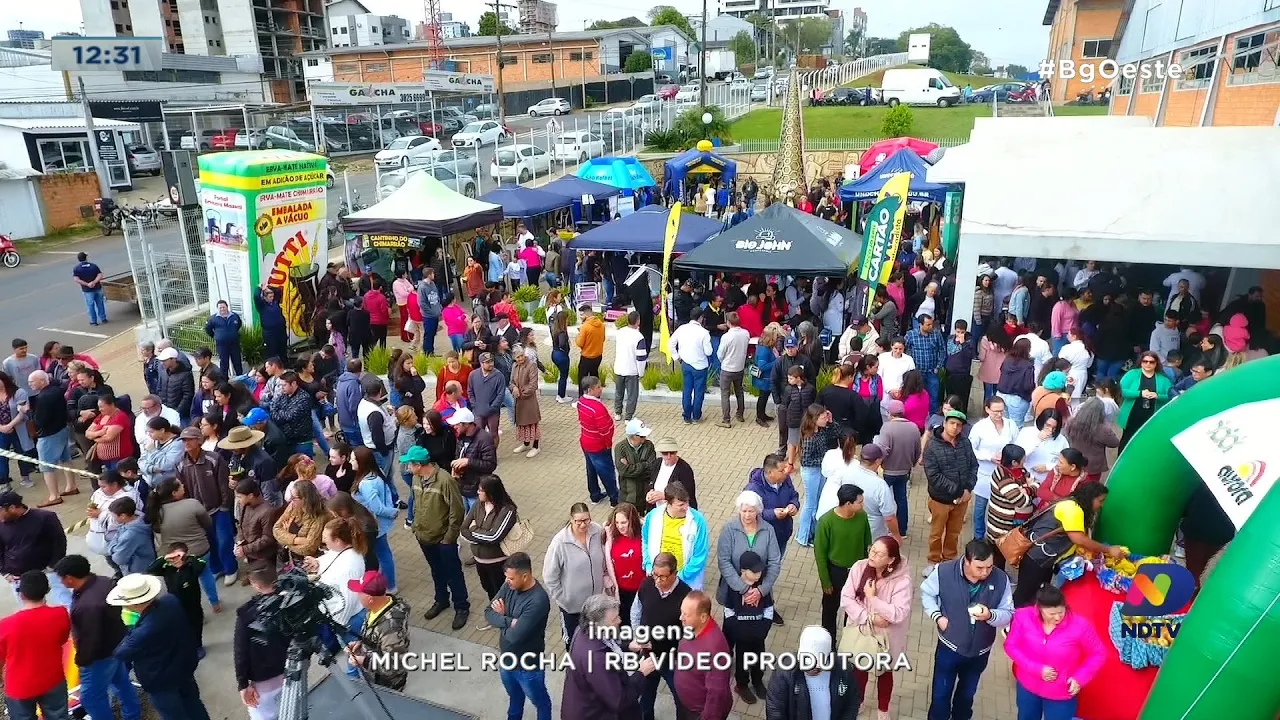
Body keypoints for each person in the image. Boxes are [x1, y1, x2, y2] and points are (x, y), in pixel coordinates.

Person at [920, 540, 1014, 720]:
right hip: (949, 647)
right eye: (980, 567)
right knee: (940, 695)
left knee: (966, 696)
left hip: (980, 652)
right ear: (967, 561)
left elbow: (1008, 613)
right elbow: (927, 593)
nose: (985, 572)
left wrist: (990, 615)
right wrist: (938, 617)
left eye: (989, 567)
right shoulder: (944, 572)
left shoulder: (1001, 580)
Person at [108, 573, 212, 720]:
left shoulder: (143, 632)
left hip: (160, 682)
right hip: (184, 668)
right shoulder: (170, 601)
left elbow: (121, 653)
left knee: (174, 716)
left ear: (135, 604)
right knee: (194, 706)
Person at [52, 555, 144, 720]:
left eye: (61, 578)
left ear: (70, 578)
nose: (60, 582)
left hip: (99, 656)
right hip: (117, 643)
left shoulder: (87, 606)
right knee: (121, 682)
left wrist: (82, 660)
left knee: (91, 698)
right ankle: (133, 715)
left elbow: (90, 639)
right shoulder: (104, 582)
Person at [1003, 585, 1107, 720]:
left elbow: (1098, 653)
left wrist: (1080, 678)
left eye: (1061, 612)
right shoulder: (1023, 616)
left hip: (1061, 692)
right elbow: (1011, 646)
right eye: (1052, 614)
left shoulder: (1080, 626)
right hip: (1028, 686)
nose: (1057, 617)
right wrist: (1036, 668)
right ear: (1039, 609)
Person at [1014, 483, 1123, 607]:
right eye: (1100, 501)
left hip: (1043, 559)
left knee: (1038, 595)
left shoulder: (1072, 503)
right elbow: (1079, 539)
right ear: (1091, 497)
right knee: (1023, 596)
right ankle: (1012, 617)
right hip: (1037, 559)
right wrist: (1108, 549)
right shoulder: (1073, 509)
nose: (1101, 505)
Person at [404, 445, 469, 629]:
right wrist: (416, 527)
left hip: (443, 540)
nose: (407, 467)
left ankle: (461, 606)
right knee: (436, 570)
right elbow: (416, 503)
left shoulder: (445, 480)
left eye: (410, 464)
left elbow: (457, 511)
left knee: (453, 573)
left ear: (419, 465)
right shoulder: (416, 478)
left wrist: (449, 538)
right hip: (424, 536)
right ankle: (441, 600)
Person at [562, 593, 654, 718]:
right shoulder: (597, 659)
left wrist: (628, 646)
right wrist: (641, 673)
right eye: (614, 619)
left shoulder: (585, 630)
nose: (620, 620)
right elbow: (619, 700)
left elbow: (608, 645)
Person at [486, 553, 554, 720]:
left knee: (541, 703)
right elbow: (488, 612)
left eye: (511, 578)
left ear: (525, 576)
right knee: (515, 698)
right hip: (507, 660)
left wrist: (501, 618)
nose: (507, 581)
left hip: (528, 667)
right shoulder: (509, 586)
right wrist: (509, 620)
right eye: (506, 577)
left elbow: (514, 637)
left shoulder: (538, 601)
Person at [0, 570, 72, 720]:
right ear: (48, 590)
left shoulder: (5, 625)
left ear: (21, 594)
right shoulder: (60, 614)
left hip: (19, 686)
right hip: (52, 679)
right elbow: (62, 639)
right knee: (59, 716)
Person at [175, 426, 235, 589]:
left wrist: (224, 506)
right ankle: (216, 568)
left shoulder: (214, 458)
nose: (186, 443)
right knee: (208, 542)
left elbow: (224, 485)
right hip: (198, 512)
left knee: (224, 540)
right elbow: (181, 489)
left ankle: (230, 569)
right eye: (183, 440)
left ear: (199, 441)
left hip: (218, 508)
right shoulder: (180, 463)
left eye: (189, 439)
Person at [922, 410, 979, 576]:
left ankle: (949, 560)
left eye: (959, 425)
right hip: (940, 499)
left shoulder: (965, 443)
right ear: (944, 423)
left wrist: (968, 488)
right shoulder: (932, 446)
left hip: (962, 499)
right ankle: (933, 561)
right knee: (936, 533)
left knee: (954, 532)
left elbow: (973, 466)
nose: (955, 427)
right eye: (952, 423)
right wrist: (959, 491)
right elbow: (933, 476)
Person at [543, 502, 609, 645]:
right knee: (573, 643)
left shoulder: (597, 531)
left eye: (586, 520)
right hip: (572, 607)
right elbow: (549, 576)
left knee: (594, 640)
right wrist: (564, 599)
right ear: (571, 519)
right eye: (578, 521)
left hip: (595, 604)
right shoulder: (560, 542)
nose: (583, 525)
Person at [813, 483, 872, 641]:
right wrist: (826, 582)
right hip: (835, 572)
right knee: (830, 610)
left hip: (856, 573)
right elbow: (820, 554)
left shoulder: (862, 517)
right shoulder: (826, 521)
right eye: (860, 502)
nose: (863, 504)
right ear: (848, 504)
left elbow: (868, 544)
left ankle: (849, 642)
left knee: (854, 610)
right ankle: (828, 644)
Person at [764, 625, 861, 720]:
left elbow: (852, 702)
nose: (811, 668)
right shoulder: (784, 672)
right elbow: (775, 710)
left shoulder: (843, 669)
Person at [459, 473, 519, 618]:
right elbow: (464, 529)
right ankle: (496, 614)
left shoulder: (507, 510)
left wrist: (474, 530)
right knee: (489, 589)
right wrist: (481, 534)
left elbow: (494, 536)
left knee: (501, 593)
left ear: (491, 492)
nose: (477, 492)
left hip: (497, 563)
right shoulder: (477, 505)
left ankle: (506, 618)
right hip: (480, 561)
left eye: (481, 490)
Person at [234, 566, 289, 720]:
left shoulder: (247, 614)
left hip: (264, 681)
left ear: (256, 585)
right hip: (292, 669)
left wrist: (243, 684)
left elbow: (241, 652)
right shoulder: (291, 601)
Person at [0, 490, 72, 607]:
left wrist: (52, 566)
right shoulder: (1, 524)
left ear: (12, 508)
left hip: (48, 573)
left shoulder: (46, 517)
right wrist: (5, 572)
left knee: (66, 603)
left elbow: (59, 542)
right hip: (18, 577)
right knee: (29, 611)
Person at [817, 441, 900, 541]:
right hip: (873, 533)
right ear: (878, 461)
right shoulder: (880, 485)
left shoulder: (847, 472)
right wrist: (896, 535)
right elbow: (889, 517)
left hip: (850, 528)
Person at [674, 590, 732, 720]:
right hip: (686, 705)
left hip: (698, 713)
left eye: (686, 614)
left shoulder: (715, 648)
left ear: (703, 617)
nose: (681, 618)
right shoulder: (693, 627)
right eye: (681, 612)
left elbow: (716, 693)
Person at [641, 482, 710, 590]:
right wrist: (649, 566)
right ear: (668, 503)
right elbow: (645, 542)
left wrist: (680, 577)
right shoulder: (653, 517)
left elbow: (700, 554)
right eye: (681, 505)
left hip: (686, 582)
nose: (686, 507)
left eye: (687, 502)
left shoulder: (698, 521)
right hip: (659, 579)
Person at [27, 370, 75, 507]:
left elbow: (40, 421)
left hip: (49, 435)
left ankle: (54, 495)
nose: (30, 384)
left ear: (42, 381)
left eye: (32, 381)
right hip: (62, 429)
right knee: (66, 458)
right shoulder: (57, 390)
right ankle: (71, 486)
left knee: (46, 466)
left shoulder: (42, 398)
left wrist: (28, 412)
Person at [874, 399, 921, 536]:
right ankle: (902, 530)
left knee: (880, 500)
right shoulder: (913, 427)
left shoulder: (886, 428)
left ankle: (880, 529)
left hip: (888, 471)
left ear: (890, 413)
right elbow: (917, 450)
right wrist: (911, 464)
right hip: (904, 471)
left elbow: (883, 450)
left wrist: (877, 465)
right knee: (901, 500)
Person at [796, 404, 839, 546]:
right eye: (823, 417)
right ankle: (803, 537)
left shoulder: (821, 430)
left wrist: (831, 421)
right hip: (811, 472)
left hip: (819, 470)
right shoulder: (809, 437)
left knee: (818, 501)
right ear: (815, 419)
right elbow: (805, 461)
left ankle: (814, 532)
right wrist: (825, 460)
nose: (825, 419)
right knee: (810, 504)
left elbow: (837, 433)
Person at [744, 453, 799, 563]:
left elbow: (794, 495)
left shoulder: (785, 480)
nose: (786, 472)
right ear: (770, 473)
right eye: (781, 470)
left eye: (785, 468)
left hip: (782, 535)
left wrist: (794, 504)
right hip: (763, 539)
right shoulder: (753, 489)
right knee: (763, 567)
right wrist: (772, 514)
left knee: (776, 563)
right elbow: (748, 515)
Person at [986, 444, 1034, 570]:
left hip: (1013, 525)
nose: (1025, 461)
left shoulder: (1020, 470)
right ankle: (997, 576)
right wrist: (1030, 488)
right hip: (1002, 527)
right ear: (1014, 462)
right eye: (1023, 459)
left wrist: (1026, 489)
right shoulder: (1004, 478)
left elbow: (1035, 482)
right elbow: (1021, 501)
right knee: (998, 558)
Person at [577, 376, 619, 506]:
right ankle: (614, 499)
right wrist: (608, 444)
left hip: (585, 441)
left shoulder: (581, 401)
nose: (601, 389)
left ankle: (595, 495)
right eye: (598, 387)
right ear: (590, 390)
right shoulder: (597, 408)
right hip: (598, 445)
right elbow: (604, 430)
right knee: (607, 472)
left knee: (591, 469)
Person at [1118, 351, 1172, 451]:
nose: (1148, 364)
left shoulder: (1163, 379)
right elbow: (1121, 391)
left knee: (1148, 441)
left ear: (1156, 363)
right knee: (1127, 440)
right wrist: (1140, 393)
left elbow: (1171, 396)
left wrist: (1158, 396)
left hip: (1152, 416)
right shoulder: (1132, 374)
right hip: (1132, 415)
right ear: (1141, 362)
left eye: (1151, 362)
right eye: (1145, 361)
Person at [669, 309, 714, 424]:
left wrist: (676, 357)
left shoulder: (681, 329)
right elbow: (708, 352)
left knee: (687, 390)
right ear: (700, 318)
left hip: (686, 364)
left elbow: (671, 343)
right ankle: (696, 416)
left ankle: (687, 416)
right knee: (699, 392)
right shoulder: (704, 333)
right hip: (700, 366)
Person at [603, 503, 645, 623]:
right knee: (625, 621)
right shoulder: (610, 536)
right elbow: (604, 563)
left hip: (641, 589)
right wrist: (608, 581)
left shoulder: (644, 535)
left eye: (624, 522)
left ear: (632, 521)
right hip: (621, 591)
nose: (620, 526)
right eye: (617, 523)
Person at [272, 479, 328, 563]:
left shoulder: (320, 516)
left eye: (294, 498)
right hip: (291, 558)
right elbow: (276, 529)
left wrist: (285, 540)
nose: (291, 500)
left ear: (305, 499)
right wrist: (296, 540)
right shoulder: (293, 506)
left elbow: (309, 548)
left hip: (309, 562)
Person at [233, 479, 280, 575]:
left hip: (264, 556)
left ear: (250, 496)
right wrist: (239, 542)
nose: (237, 500)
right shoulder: (244, 505)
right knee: (254, 576)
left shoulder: (267, 511)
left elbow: (268, 538)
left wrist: (245, 549)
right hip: (251, 553)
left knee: (266, 580)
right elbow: (240, 526)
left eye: (239, 497)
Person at [1015, 409, 1069, 490]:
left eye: (1054, 428)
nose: (1050, 430)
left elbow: (1067, 462)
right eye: (1048, 425)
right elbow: (1017, 456)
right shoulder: (1026, 432)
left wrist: (1048, 467)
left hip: (1048, 482)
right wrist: (1038, 440)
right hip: (1026, 480)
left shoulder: (1062, 440)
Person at [716, 311, 751, 427]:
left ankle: (726, 419)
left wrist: (723, 361)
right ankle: (740, 414)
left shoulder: (726, 337)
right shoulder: (745, 333)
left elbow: (720, 354)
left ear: (728, 323)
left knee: (725, 394)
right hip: (739, 367)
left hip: (727, 368)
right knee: (739, 391)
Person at [613, 310, 648, 422]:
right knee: (632, 395)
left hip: (619, 367)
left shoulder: (619, 332)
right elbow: (641, 358)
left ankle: (617, 412)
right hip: (632, 370)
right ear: (638, 321)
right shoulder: (639, 337)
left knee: (619, 392)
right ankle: (628, 417)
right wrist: (641, 372)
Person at [616, 418, 659, 509]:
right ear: (632, 436)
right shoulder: (620, 448)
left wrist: (632, 468)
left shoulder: (649, 445)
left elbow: (652, 467)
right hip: (628, 496)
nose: (645, 438)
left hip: (645, 493)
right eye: (642, 436)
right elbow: (624, 471)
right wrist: (644, 465)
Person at [107, 496, 157, 574]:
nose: (113, 519)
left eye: (114, 516)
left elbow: (119, 559)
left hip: (137, 571)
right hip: (146, 564)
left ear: (123, 516)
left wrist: (112, 549)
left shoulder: (130, 535)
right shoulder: (140, 519)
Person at [647, 438, 698, 511]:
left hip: (677, 512)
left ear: (676, 452)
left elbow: (687, 494)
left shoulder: (685, 469)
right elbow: (651, 481)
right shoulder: (657, 463)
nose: (668, 457)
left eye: (672, 453)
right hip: (658, 509)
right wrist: (650, 492)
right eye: (665, 453)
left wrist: (665, 496)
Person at [509, 344, 542, 457]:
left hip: (529, 400)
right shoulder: (514, 366)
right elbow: (511, 382)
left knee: (532, 422)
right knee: (522, 423)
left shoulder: (531, 366)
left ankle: (536, 446)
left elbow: (533, 385)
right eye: (518, 357)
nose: (520, 359)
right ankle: (526, 443)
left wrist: (522, 394)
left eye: (522, 355)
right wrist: (514, 388)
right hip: (519, 401)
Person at [204, 300, 244, 377]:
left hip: (234, 344)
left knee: (237, 362)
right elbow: (208, 329)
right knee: (224, 364)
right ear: (218, 309)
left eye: (223, 307)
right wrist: (216, 336)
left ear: (227, 307)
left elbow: (239, 324)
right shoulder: (213, 319)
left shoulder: (234, 316)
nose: (222, 309)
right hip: (222, 345)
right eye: (220, 308)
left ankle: (240, 378)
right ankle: (224, 381)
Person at [576, 306, 606, 397]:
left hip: (587, 357)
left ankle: (582, 398)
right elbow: (603, 339)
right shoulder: (601, 325)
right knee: (595, 377)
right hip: (598, 356)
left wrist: (579, 334)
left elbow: (579, 343)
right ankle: (596, 397)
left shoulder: (585, 327)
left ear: (586, 314)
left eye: (581, 315)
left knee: (582, 379)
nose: (580, 317)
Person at [73, 251, 107, 325]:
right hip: (97, 288)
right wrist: (94, 282)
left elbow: (76, 279)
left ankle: (94, 321)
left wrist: (87, 284)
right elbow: (100, 275)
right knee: (100, 304)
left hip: (87, 290)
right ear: (86, 258)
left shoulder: (77, 268)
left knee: (90, 306)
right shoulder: (93, 266)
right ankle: (103, 318)